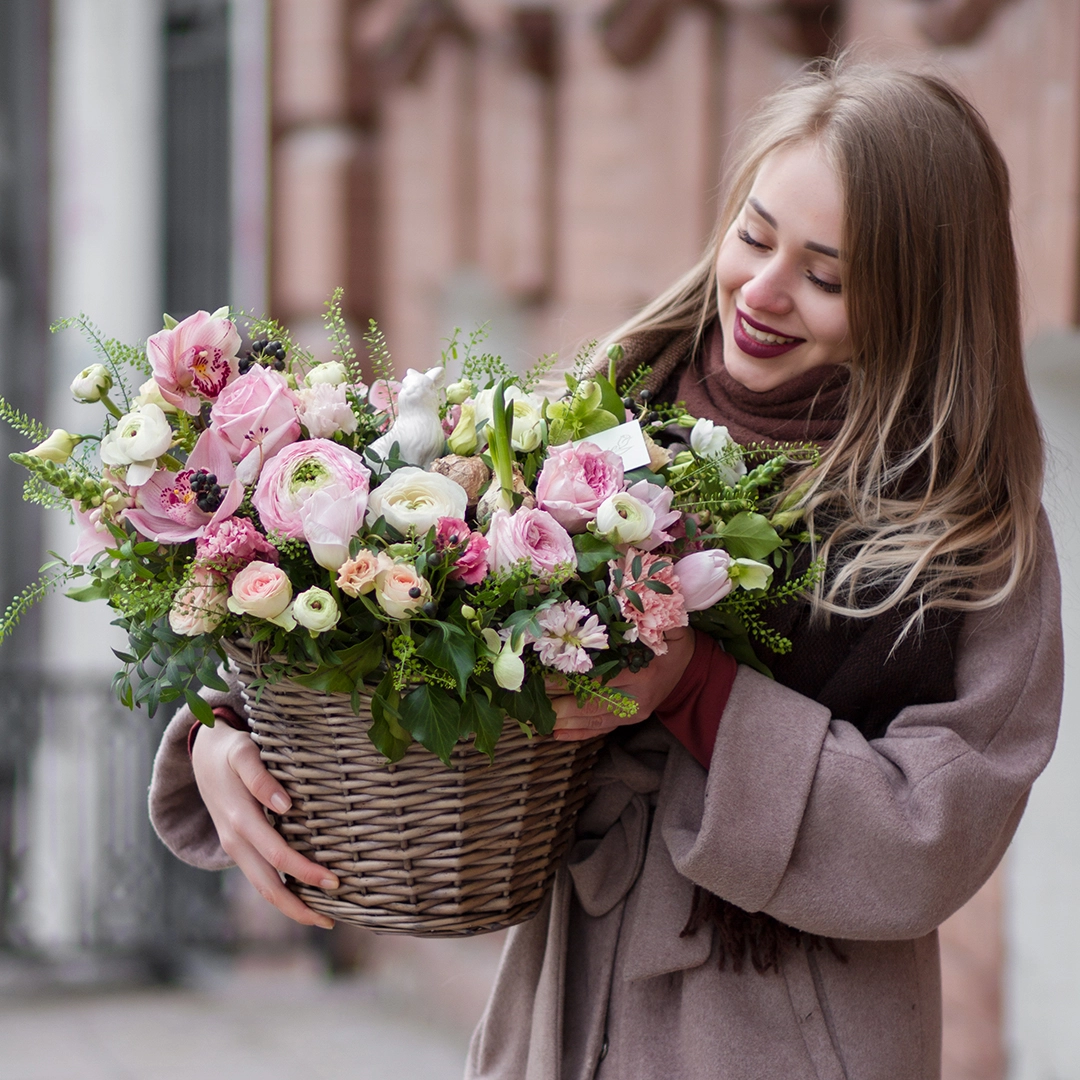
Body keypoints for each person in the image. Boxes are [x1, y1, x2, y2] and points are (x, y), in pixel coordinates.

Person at [149, 59, 1063, 1080]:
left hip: (788, 1037)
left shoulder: (968, 534)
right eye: (754, 235)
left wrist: (699, 691)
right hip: (564, 1011)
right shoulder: (603, 416)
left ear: (920, 302)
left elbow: (930, 840)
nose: (763, 291)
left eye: (827, 277)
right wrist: (231, 732)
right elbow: (432, 622)